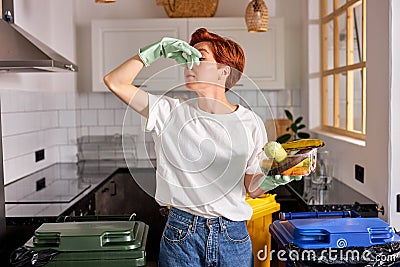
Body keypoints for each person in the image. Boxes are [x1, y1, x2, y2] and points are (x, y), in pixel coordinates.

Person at [104, 28, 300, 267]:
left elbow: (252, 187)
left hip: (233, 237)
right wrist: (154, 52)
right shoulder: (169, 112)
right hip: (181, 235)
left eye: (201, 57)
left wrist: (272, 179)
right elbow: (115, 82)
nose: (190, 63)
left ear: (224, 71)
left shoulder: (250, 123)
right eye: (188, 58)